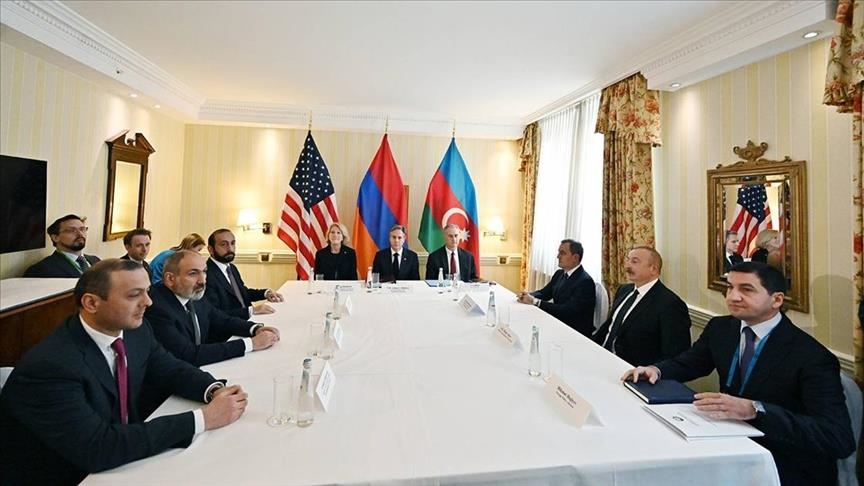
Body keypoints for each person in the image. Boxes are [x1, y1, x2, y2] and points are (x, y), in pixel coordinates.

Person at [0, 259, 248, 485]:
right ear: (91, 303)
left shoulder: (135, 331)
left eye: (147, 291)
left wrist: (213, 390)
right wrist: (203, 419)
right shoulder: (50, 366)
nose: (148, 302)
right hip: (67, 474)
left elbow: (170, 368)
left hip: (122, 457)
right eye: (134, 295)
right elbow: (98, 448)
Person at [622, 262, 854, 486]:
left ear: (776, 300)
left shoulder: (811, 356)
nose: (732, 297)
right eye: (730, 287)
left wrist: (755, 410)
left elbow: (837, 437)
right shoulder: (721, 328)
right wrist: (656, 370)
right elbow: (691, 363)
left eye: (746, 289)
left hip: (781, 460)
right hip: (724, 439)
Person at [145, 250, 280, 366]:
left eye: (204, 272)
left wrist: (254, 328)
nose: (202, 280)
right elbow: (188, 354)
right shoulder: (157, 308)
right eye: (193, 273)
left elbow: (221, 319)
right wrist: (250, 344)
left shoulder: (192, 294)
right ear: (170, 279)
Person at [593, 246, 691, 365]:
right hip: (601, 356)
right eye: (628, 260)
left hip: (632, 369)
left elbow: (675, 354)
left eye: (634, 262)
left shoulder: (670, 304)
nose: (627, 266)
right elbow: (608, 327)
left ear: (653, 269)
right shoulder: (624, 290)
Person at [516, 239, 596, 337]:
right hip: (559, 323)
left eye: (562, 253)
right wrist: (527, 295)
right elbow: (544, 293)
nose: (558, 256)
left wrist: (535, 301)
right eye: (559, 253)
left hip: (574, 332)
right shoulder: (559, 273)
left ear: (575, 257)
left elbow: (567, 311)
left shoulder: (585, 282)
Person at [204, 228, 284, 319]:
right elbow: (215, 314)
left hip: (247, 320)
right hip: (231, 325)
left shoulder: (231, 268)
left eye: (232, 243)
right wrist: (251, 311)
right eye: (223, 244)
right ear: (210, 249)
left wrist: (265, 293)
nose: (230, 249)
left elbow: (242, 293)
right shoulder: (206, 275)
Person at [23, 214, 100, 278]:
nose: (80, 234)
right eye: (71, 230)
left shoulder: (95, 261)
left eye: (82, 229)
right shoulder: (41, 270)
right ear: (55, 238)